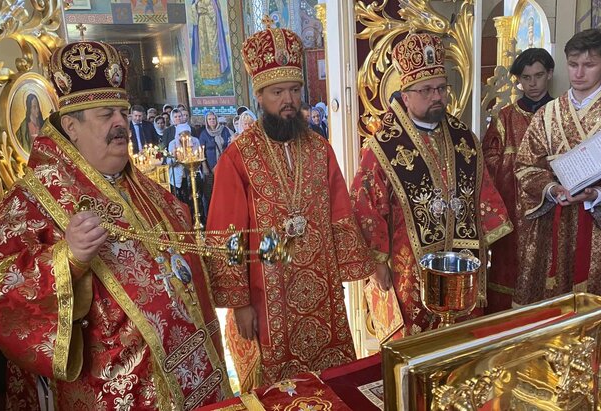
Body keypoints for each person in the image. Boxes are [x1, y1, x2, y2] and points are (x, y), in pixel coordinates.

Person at [0, 40, 231, 409]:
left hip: (195, 374)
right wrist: (66, 261)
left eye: (122, 111)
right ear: (71, 126)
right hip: (118, 392)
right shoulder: (37, 197)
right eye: (105, 114)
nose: (121, 123)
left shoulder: (149, 190)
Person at [205, 20, 373, 391]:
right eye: (278, 91)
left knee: (329, 386)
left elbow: (340, 211)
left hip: (322, 294)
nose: (289, 101)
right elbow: (227, 234)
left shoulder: (319, 147)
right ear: (260, 96)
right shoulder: (238, 156)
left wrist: (346, 273)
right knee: (277, 392)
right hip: (266, 297)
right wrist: (240, 304)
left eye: (295, 90)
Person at [350, 32, 512, 337]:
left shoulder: (465, 138)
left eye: (441, 88)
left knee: (460, 343)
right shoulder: (382, 147)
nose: (437, 96)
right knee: (415, 347)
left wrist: (488, 241)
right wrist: (377, 262)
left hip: (462, 263)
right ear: (405, 94)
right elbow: (366, 206)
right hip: (408, 269)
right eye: (426, 90)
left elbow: (483, 191)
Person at [515, 28, 601, 306]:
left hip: (599, 230)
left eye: (589, 65)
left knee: (596, 310)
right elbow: (525, 165)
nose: (578, 73)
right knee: (549, 314)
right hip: (553, 224)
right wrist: (551, 188)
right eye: (573, 64)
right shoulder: (547, 114)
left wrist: (595, 195)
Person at [481, 48, 554, 313]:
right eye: (526, 77)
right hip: (512, 210)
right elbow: (486, 163)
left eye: (539, 75)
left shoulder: (559, 115)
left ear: (550, 74)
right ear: (518, 80)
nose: (533, 84)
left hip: (552, 207)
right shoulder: (505, 118)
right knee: (508, 266)